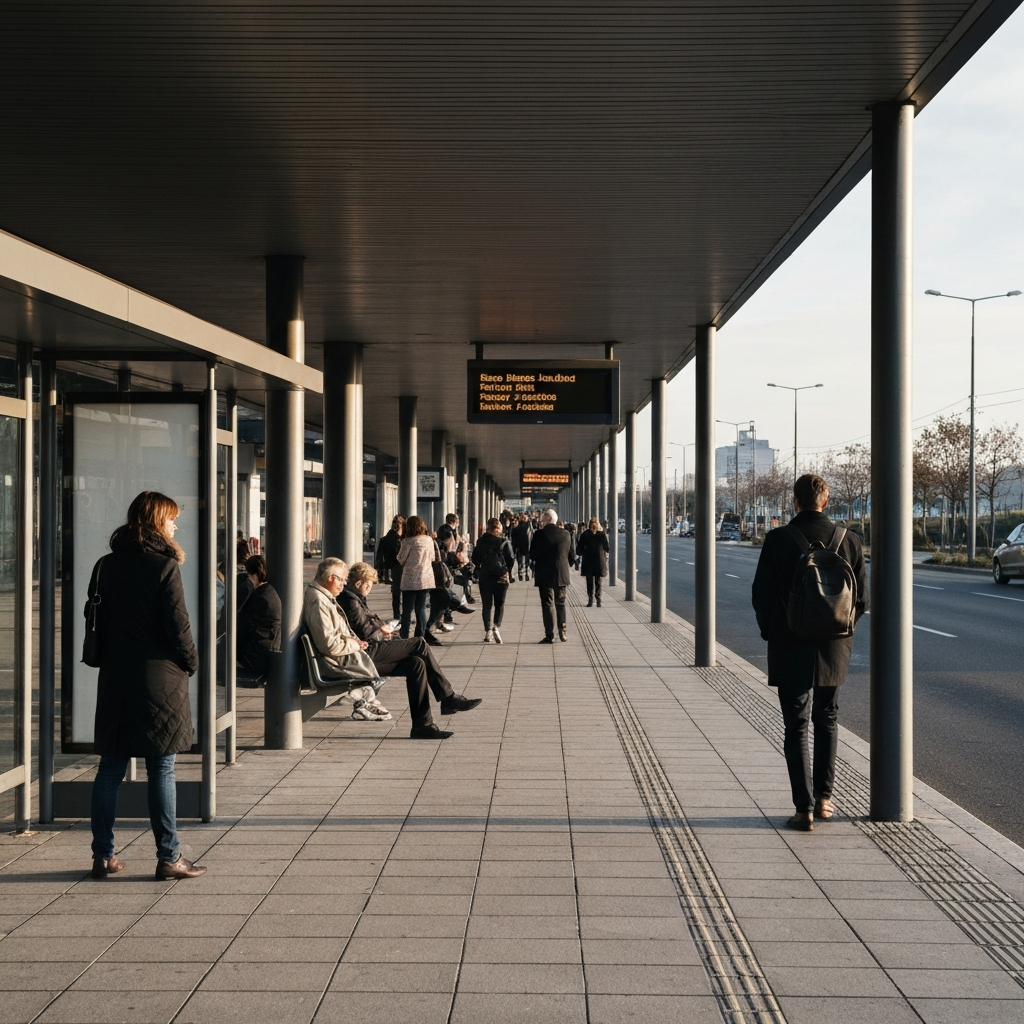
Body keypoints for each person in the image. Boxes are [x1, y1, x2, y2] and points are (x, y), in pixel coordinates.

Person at [88, 490, 206, 881]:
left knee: (109, 768)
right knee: (162, 768)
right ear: (158, 522)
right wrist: (192, 663)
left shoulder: (105, 565)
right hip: (160, 681)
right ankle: (169, 856)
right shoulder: (163, 567)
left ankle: (103, 855)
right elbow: (179, 626)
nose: (176, 524)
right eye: (171, 518)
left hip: (117, 678)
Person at [751, 473, 867, 832]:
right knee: (828, 719)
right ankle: (826, 799)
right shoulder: (850, 541)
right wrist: (840, 631)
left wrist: (773, 631)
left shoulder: (778, 540)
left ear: (795, 501)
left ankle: (803, 809)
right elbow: (860, 599)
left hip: (791, 642)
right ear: (826, 500)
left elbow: (762, 595)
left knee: (795, 725)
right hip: (834, 645)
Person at [338, 561, 482, 738]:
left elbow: (365, 625)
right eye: (368, 584)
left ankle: (423, 725)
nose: (369, 588)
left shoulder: (354, 597)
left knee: (416, 664)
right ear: (358, 583)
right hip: (365, 654)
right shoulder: (350, 600)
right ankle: (448, 697)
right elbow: (364, 631)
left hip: (366, 651)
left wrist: (382, 629)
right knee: (418, 643)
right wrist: (382, 632)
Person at [301, 558, 393, 720]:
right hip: (335, 663)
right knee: (414, 653)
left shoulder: (322, 596)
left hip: (340, 657)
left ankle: (365, 701)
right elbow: (329, 645)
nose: (344, 585)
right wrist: (356, 645)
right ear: (331, 578)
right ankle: (364, 701)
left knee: (415, 656)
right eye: (342, 580)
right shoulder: (318, 601)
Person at [529, 508, 574, 643]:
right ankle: (563, 631)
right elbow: (571, 554)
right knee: (560, 603)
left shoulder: (539, 535)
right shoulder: (566, 534)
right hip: (561, 574)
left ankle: (549, 635)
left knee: (547, 604)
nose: (541, 522)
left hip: (544, 575)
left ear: (548, 520)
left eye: (542, 519)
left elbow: (533, 555)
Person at [235, 554, 281, 681]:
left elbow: (243, 626)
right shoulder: (268, 591)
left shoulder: (260, 598)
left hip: (258, 656)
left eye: (249, 575)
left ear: (254, 574)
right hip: (267, 650)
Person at [472, 517, 515, 643]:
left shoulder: (481, 542)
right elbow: (511, 558)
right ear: (498, 529)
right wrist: (508, 571)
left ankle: (487, 632)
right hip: (501, 577)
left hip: (485, 577)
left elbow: (475, 559)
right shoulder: (504, 542)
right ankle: (496, 626)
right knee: (499, 604)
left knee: (487, 605)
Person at [396, 515, 438, 643]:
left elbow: (400, 558)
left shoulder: (407, 541)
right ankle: (419, 636)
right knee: (421, 608)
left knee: (407, 609)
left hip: (410, 579)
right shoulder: (429, 540)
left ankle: (404, 636)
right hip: (425, 578)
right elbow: (433, 557)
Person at [576, 516, 610, 607]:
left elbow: (580, 548)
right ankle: (598, 599)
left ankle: (590, 600)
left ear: (589, 524)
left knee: (589, 581)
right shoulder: (602, 534)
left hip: (588, 560)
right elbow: (607, 548)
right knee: (598, 581)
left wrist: (580, 553)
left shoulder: (585, 534)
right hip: (599, 560)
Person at [375, 515, 404, 617]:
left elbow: (379, 556)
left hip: (394, 568)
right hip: (399, 568)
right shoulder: (404, 538)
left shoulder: (386, 538)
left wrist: (380, 569)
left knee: (396, 593)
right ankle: (401, 615)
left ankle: (398, 615)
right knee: (402, 593)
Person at [511, 512, 533, 581]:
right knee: (520, 561)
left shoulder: (529, 526)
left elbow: (532, 536)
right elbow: (513, 535)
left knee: (527, 561)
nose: (524, 518)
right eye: (523, 517)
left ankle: (526, 574)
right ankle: (521, 574)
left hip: (527, 546)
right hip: (520, 546)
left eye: (525, 517)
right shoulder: (518, 526)